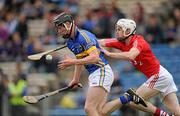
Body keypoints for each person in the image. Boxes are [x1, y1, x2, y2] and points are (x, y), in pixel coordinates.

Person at [53, 12, 146, 116]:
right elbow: (80, 60)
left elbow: (94, 57)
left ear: (68, 24)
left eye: (61, 28)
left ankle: (128, 97)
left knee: (89, 108)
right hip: (95, 74)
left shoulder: (84, 37)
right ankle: (127, 97)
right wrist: (75, 79)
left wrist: (72, 61)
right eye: (58, 29)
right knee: (101, 112)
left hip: (101, 71)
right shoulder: (70, 43)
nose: (59, 31)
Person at [98, 18, 180, 115]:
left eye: (119, 29)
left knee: (134, 101)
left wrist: (110, 54)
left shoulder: (138, 41)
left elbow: (131, 55)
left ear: (128, 31)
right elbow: (99, 42)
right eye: (116, 29)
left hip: (159, 76)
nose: (116, 31)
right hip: (163, 76)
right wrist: (82, 38)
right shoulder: (120, 43)